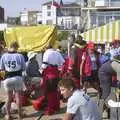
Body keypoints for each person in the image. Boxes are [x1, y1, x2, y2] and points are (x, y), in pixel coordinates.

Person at [0, 41, 26, 120]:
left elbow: (2, 68)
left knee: (8, 97)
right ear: (16, 47)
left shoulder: (4, 56)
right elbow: (24, 68)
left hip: (8, 78)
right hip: (17, 77)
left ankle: (8, 115)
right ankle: (20, 115)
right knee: (18, 97)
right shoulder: (20, 55)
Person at [40, 45, 65, 115]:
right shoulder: (57, 52)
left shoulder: (46, 53)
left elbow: (44, 65)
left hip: (49, 74)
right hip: (56, 73)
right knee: (56, 91)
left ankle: (50, 109)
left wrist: (41, 71)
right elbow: (63, 62)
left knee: (49, 92)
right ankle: (56, 106)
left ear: (46, 48)